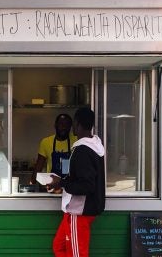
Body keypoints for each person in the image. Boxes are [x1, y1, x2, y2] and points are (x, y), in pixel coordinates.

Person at [47, 107, 105, 257]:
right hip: (76, 211)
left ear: (78, 124)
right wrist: (61, 182)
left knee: (77, 254)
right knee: (59, 247)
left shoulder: (83, 151)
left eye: (73, 123)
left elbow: (87, 185)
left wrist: (62, 183)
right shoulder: (94, 146)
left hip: (79, 212)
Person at [30, 113, 77, 185]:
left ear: (70, 127)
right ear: (55, 125)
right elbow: (38, 166)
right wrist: (31, 186)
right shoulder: (46, 142)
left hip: (70, 186)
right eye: (61, 124)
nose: (64, 127)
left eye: (67, 125)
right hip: (52, 185)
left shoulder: (76, 141)